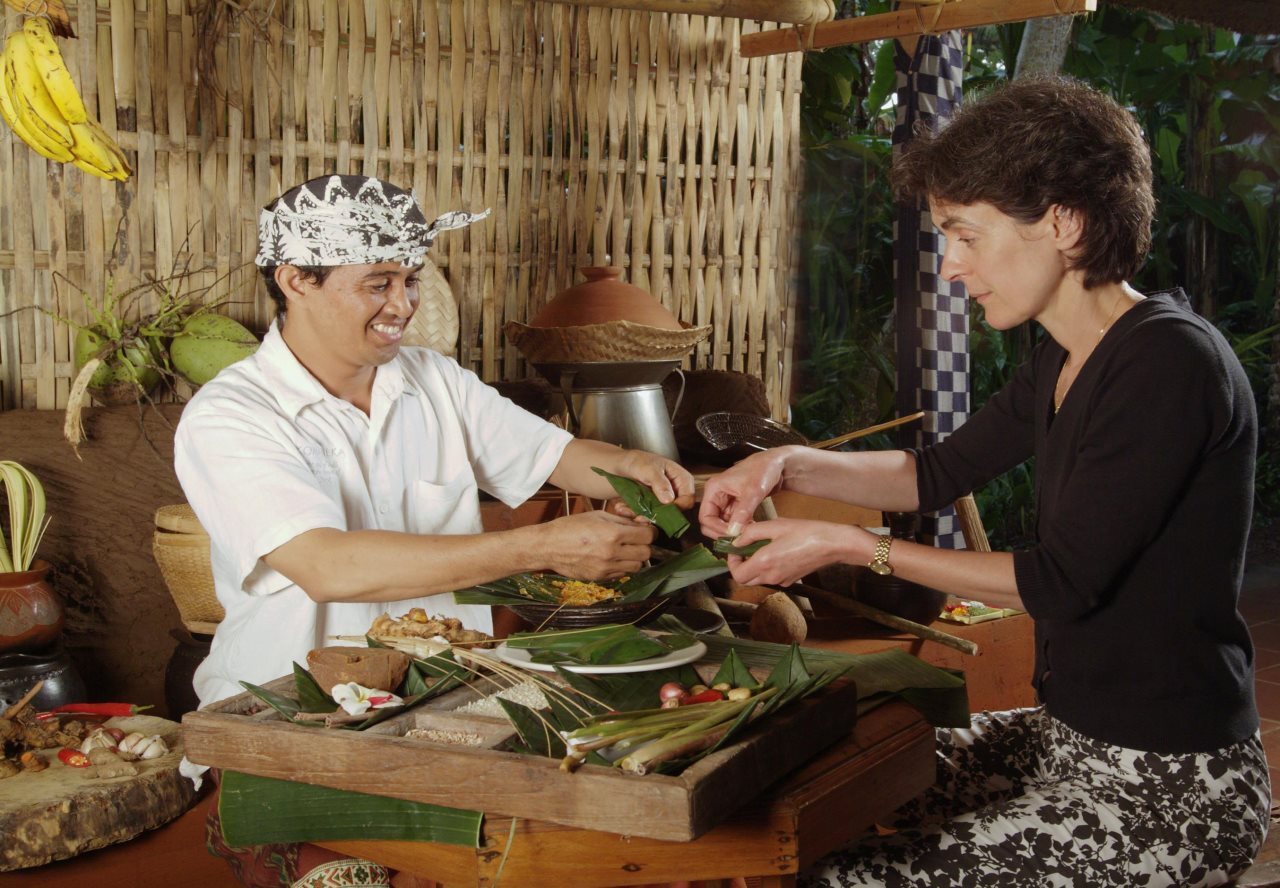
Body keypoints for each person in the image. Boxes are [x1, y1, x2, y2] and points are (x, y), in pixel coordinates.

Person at [699, 77, 1269, 887]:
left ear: (1063, 223)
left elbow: (1060, 581)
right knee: (819, 787)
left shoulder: (1169, 363)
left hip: (1167, 789)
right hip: (1066, 742)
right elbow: (933, 474)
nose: (952, 266)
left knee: (838, 878)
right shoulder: (1067, 355)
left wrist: (851, 547)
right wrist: (785, 464)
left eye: (966, 235)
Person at [175, 173, 694, 710]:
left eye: (411, 280)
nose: (403, 305)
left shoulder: (435, 380)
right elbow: (326, 566)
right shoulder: (231, 415)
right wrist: (540, 548)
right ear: (296, 281)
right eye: (378, 284)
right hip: (287, 709)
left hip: (440, 697)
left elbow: (557, 456)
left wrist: (636, 467)